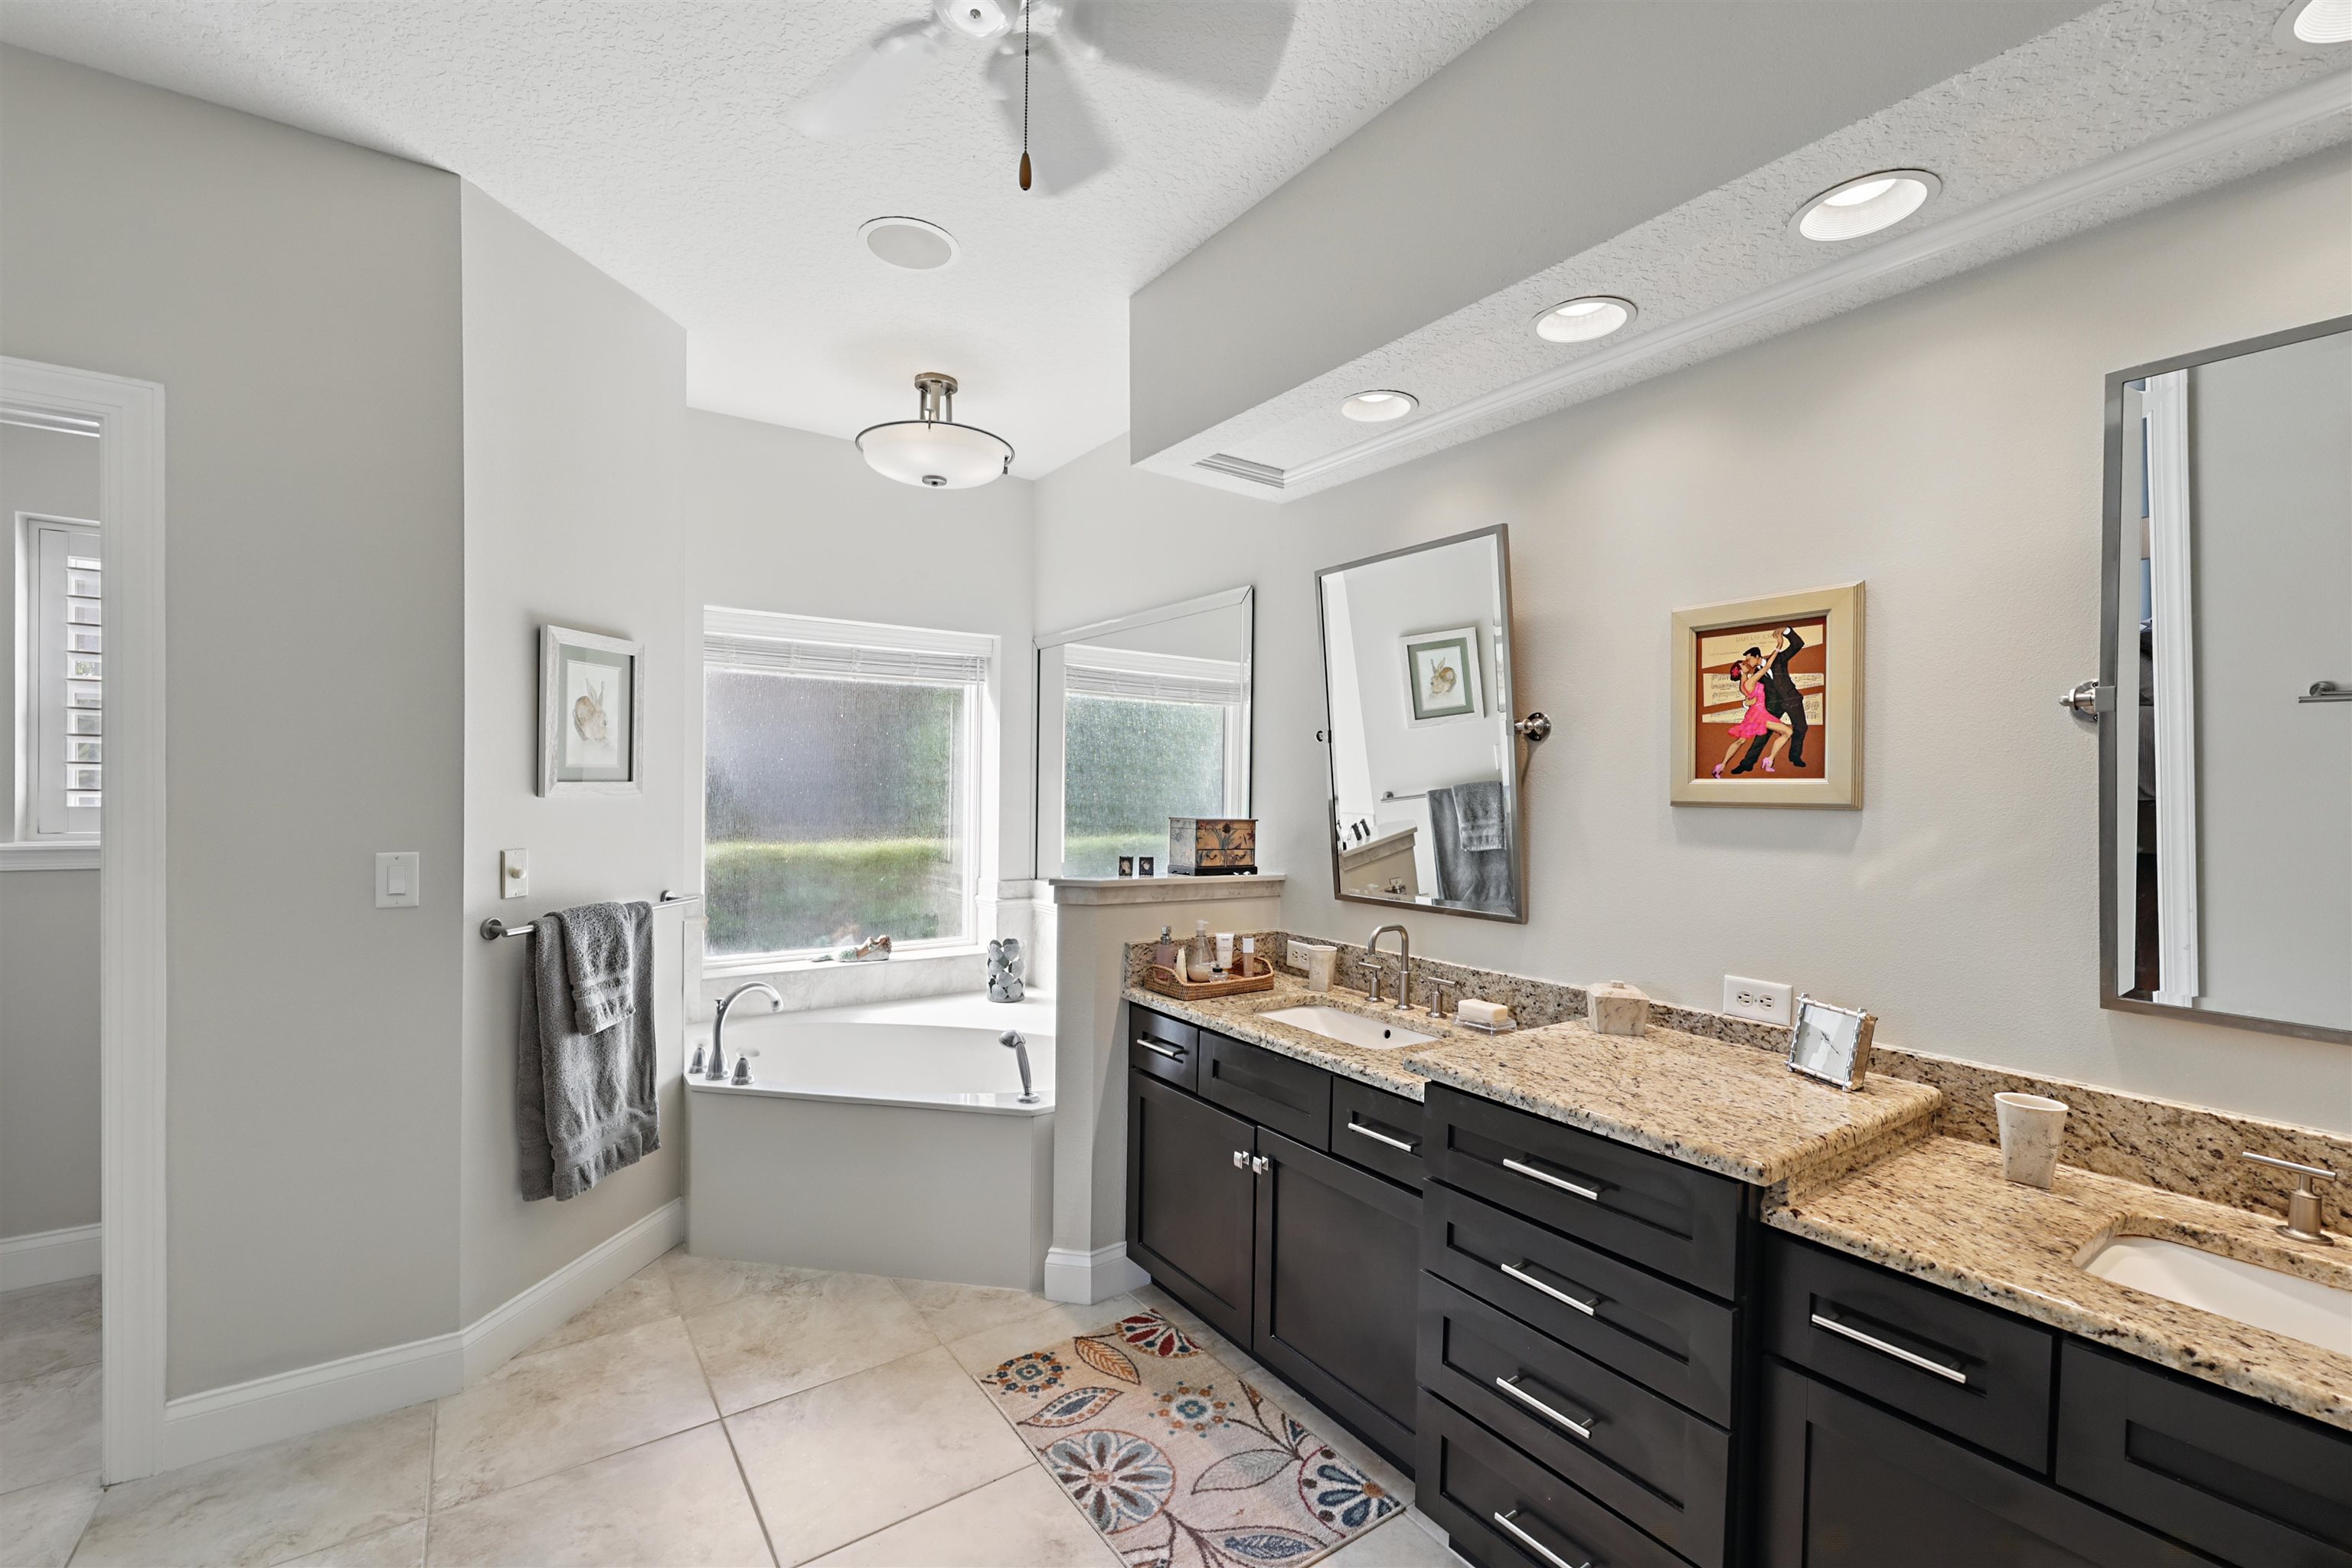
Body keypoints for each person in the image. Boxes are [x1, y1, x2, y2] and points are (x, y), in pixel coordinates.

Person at [1730, 626, 1807, 773]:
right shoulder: (1755, 675)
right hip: (1772, 706)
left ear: (1756, 656)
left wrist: (1786, 631)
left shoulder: (1779, 659)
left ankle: (1795, 756)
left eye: (1748, 659)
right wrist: (1746, 704)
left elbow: (1798, 644)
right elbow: (1750, 694)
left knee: (1801, 728)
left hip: (1791, 699)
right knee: (1761, 735)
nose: (1747, 663)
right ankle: (1747, 763)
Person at [1711, 650, 1795, 777]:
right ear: (1741, 671)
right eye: (1743, 664)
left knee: (1740, 741)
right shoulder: (1750, 682)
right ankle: (1770, 759)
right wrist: (1777, 649)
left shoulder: (1742, 685)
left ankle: (1721, 766)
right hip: (1761, 715)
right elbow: (1767, 667)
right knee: (1788, 732)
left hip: (1753, 714)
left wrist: (1747, 703)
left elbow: (1750, 699)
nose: (1746, 664)